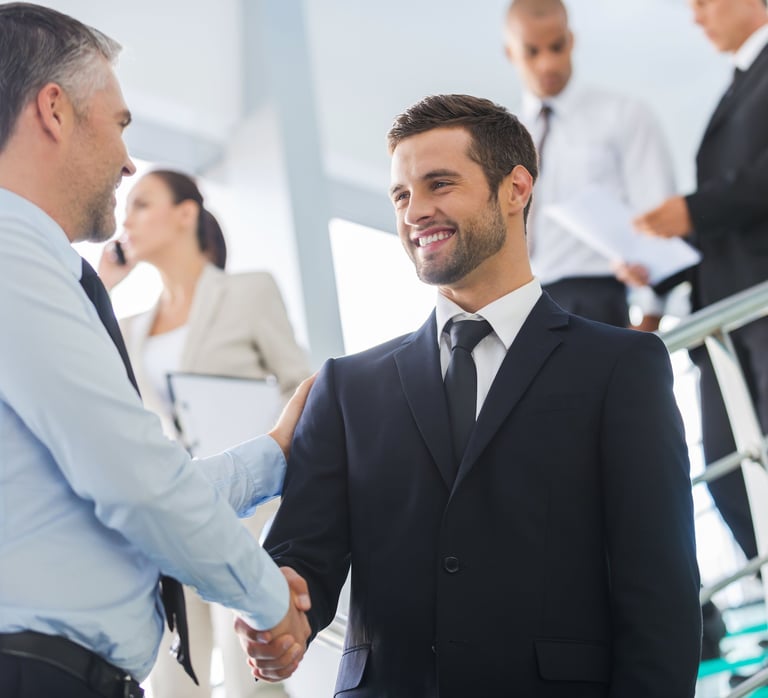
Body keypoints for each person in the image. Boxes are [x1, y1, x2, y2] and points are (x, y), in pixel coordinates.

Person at [237, 94, 703, 696]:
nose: (415, 213)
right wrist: (279, 618)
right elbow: (303, 559)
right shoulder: (347, 388)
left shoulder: (621, 369)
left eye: (440, 184)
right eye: (401, 196)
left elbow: (660, 594)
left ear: (516, 188)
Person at [0, 4, 312, 697]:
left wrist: (276, 456)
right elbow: (135, 482)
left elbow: (117, 483)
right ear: (54, 110)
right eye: (119, 125)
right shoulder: (15, 258)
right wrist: (271, 602)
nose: (128, 159)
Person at [99, 168, 311, 698]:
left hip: (250, 517)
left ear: (186, 213)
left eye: (142, 205)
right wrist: (98, 284)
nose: (127, 221)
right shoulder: (129, 327)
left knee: (250, 680)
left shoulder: (248, 291)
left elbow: (301, 387)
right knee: (172, 683)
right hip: (174, 518)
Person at [635, 0, 768, 585]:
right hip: (724, 316)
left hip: (760, 308)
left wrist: (693, 209)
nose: (696, 17)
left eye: (707, 1)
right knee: (725, 466)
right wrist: (660, 271)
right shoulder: (737, 85)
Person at [503, 0, 676, 330]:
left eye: (556, 47)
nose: (547, 63)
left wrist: (651, 316)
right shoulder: (504, 136)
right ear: (510, 53)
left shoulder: (624, 115)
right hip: (521, 303)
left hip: (597, 298)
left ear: (571, 41)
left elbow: (657, 214)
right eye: (531, 51)